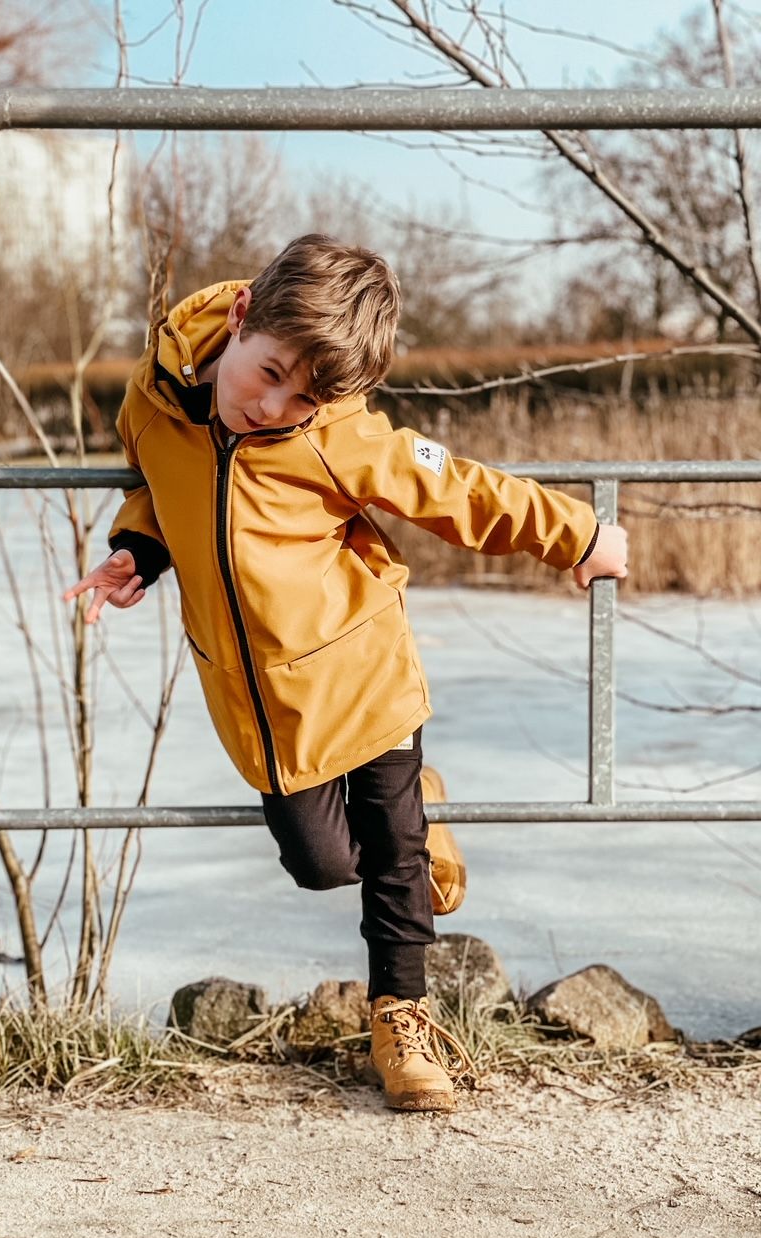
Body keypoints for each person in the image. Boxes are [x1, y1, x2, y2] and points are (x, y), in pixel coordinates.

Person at [64, 233, 628, 1111]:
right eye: (271, 373)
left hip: (365, 674)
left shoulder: (338, 435)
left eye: (307, 395)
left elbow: (461, 490)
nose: (276, 404)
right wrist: (137, 550)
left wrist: (580, 534)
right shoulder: (151, 401)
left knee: (395, 857)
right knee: (321, 862)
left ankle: (403, 1021)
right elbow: (161, 486)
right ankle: (420, 831)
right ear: (243, 315)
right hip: (266, 704)